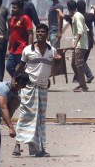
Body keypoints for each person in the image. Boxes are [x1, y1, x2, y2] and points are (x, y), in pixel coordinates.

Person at [13, 24, 62, 157]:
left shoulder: (52, 51)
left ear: (46, 35)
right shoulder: (28, 50)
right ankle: (17, 144)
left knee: (40, 118)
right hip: (29, 87)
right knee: (25, 115)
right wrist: (14, 80)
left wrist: (58, 61)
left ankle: (40, 149)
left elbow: (56, 67)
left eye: (42, 32)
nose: (40, 34)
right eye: (38, 32)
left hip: (43, 87)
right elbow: (21, 66)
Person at [6, 0, 34, 78]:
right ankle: (18, 80)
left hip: (22, 49)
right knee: (9, 67)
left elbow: (30, 34)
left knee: (23, 68)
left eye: (15, 8)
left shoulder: (26, 19)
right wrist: (8, 48)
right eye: (12, 7)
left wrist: (30, 48)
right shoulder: (13, 19)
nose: (12, 9)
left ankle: (23, 83)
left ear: (20, 9)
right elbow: (11, 34)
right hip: (13, 49)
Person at [67, 0, 89, 92]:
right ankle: (81, 83)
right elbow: (86, 28)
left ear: (68, 9)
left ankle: (83, 86)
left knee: (79, 65)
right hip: (78, 44)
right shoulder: (76, 16)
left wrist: (76, 42)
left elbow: (81, 30)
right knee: (73, 64)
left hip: (80, 45)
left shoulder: (77, 16)